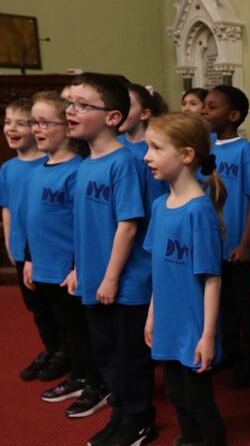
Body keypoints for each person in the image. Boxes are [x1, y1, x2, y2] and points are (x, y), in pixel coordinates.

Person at [65, 73, 155, 446]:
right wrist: (78, 269)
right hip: (94, 280)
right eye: (70, 103)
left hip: (123, 284)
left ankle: (138, 420)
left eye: (83, 105)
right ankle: (121, 414)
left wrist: (111, 278)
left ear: (113, 117)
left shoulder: (124, 164)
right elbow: (84, 227)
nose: (71, 110)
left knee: (128, 358)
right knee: (106, 356)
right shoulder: (85, 165)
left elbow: (128, 225)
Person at [143, 113, 228, 446]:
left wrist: (207, 336)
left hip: (193, 325)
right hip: (167, 320)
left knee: (197, 399)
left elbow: (212, 279)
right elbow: (158, 271)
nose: (146, 155)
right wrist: (152, 314)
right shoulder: (159, 205)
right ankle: (189, 439)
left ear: (186, 155)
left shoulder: (198, 211)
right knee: (176, 393)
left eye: (155, 147)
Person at [24, 92, 109, 418]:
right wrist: (30, 258)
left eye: (45, 122)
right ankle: (79, 374)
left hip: (69, 268)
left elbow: (82, 225)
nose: (37, 129)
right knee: (64, 327)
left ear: (67, 126)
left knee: (82, 329)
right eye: (34, 122)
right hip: (44, 265)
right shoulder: (38, 170)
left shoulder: (77, 170)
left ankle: (97, 383)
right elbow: (33, 221)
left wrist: (76, 266)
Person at [201, 85, 250, 388]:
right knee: (222, 304)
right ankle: (228, 353)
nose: (204, 111)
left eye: (212, 107)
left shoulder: (245, 150)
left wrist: (245, 243)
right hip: (214, 244)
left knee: (243, 307)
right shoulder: (208, 146)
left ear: (233, 115)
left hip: (238, 248)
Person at [1, 98, 57, 381]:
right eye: (7, 122)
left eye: (20, 123)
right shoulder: (8, 168)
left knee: (54, 307)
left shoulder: (48, 164)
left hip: (47, 251)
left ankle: (64, 353)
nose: (11, 128)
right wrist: (11, 243)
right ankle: (51, 348)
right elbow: (7, 207)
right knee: (36, 308)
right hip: (22, 249)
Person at [119, 83, 169, 207]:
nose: (120, 112)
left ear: (144, 114)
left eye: (127, 106)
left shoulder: (155, 148)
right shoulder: (115, 144)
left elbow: (158, 195)